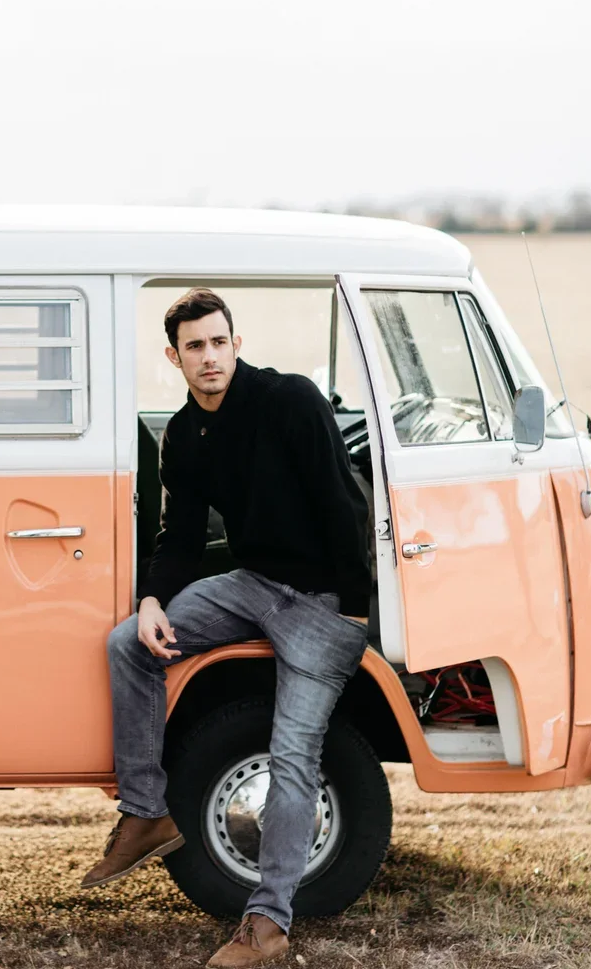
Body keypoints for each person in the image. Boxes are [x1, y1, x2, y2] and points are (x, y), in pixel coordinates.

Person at [81, 288, 372, 968]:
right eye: (194, 347)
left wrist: (351, 612)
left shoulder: (290, 401)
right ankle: (147, 812)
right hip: (252, 587)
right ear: (174, 356)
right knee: (129, 641)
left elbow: (341, 505)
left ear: (236, 344)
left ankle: (267, 924)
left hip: (322, 602)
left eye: (218, 342)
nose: (209, 358)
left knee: (293, 754)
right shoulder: (184, 434)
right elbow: (178, 536)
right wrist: (153, 599)